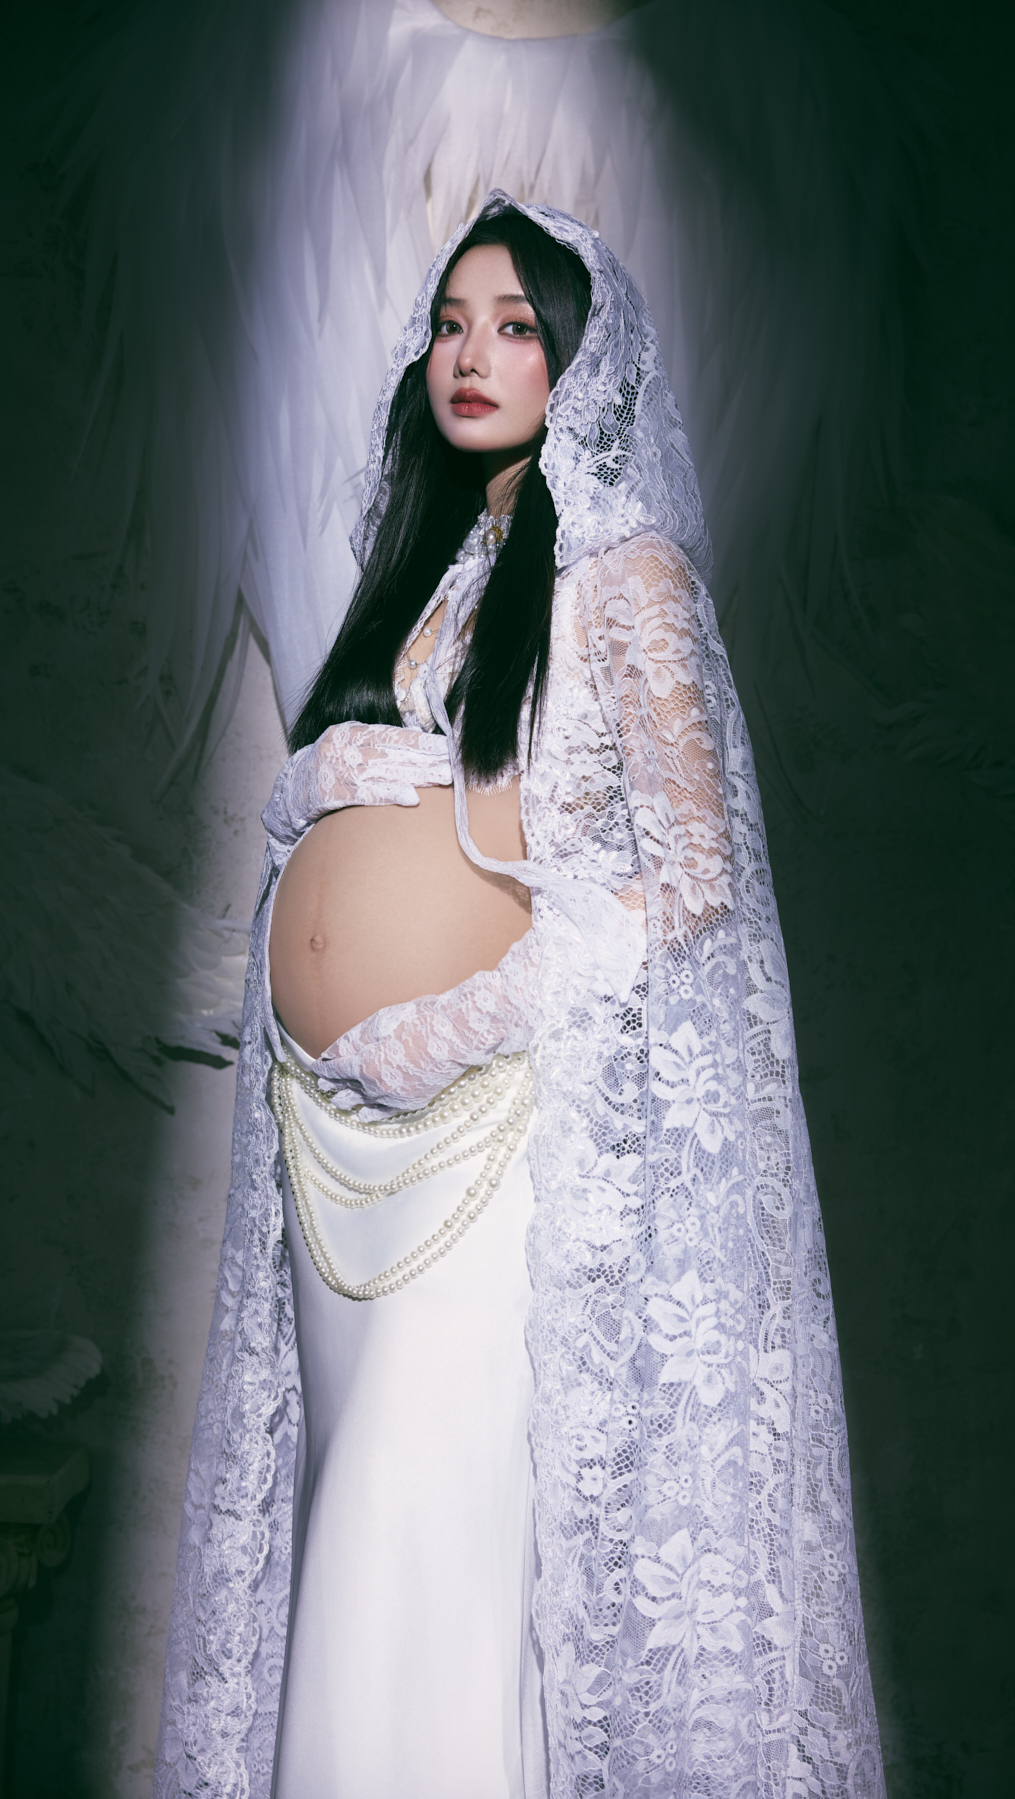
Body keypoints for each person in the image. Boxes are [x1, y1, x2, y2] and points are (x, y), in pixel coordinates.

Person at [154, 193, 883, 1799]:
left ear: (582, 362)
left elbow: (691, 879)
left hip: (485, 1149)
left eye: (515, 327)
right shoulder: (430, 574)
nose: (471, 354)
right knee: (356, 1544)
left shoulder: (627, 575)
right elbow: (390, 814)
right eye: (449, 324)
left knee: (415, 1546)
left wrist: (456, 1021)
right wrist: (312, 794)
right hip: (335, 1156)